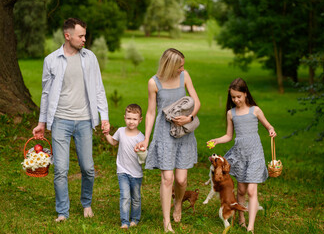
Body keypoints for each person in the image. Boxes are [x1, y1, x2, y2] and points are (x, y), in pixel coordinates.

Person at [32, 18, 110, 222]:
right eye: (81, 36)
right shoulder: (51, 60)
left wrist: (104, 117)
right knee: (61, 169)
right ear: (68, 36)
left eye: (85, 35)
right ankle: (62, 212)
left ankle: (86, 203)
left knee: (88, 168)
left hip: (85, 121)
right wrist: (42, 123)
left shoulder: (90, 58)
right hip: (60, 121)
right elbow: (46, 94)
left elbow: (99, 88)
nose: (85, 39)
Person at [134, 48, 200, 233]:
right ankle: (166, 222)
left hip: (183, 133)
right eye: (180, 66)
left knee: (181, 179)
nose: (182, 68)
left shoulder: (184, 76)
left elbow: (197, 101)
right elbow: (150, 112)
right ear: (170, 65)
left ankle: (178, 203)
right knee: (168, 178)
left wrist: (190, 117)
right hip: (164, 134)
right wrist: (146, 139)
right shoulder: (153, 83)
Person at [207, 78, 276, 234]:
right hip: (240, 155)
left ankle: (250, 227)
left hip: (255, 154)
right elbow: (229, 136)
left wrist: (271, 130)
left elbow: (268, 125)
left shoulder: (255, 110)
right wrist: (217, 140)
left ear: (245, 94)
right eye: (233, 97)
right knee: (242, 191)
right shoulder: (231, 113)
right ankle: (241, 219)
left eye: (238, 96)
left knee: (252, 191)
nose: (236, 100)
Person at [104, 104, 145, 229]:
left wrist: (142, 150)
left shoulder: (141, 137)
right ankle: (124, 222)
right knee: (125, 196)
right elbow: (113, 142)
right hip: (122, 171)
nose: (131, 122)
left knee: (136, 198)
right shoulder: (121, 131)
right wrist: (106, 134)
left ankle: (135, 219)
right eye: (129, 118)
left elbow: (144, 155)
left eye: (134, 119)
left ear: (140, 120)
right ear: (124, 118)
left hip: (136, 173)